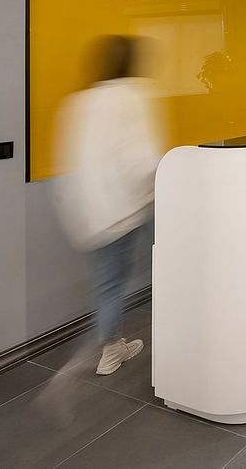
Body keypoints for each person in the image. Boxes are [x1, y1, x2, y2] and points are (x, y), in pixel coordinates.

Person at [54, 35, 164, 375]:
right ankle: (113, 350)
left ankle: (112, 346)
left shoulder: (80, 100)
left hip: (89, 213)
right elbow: (141, 159)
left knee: (108, 281)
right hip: (124, 209)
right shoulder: (131, 97)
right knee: (168, 263)